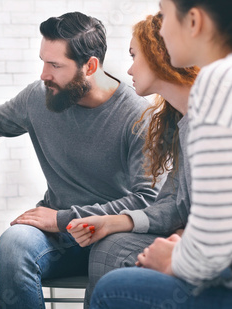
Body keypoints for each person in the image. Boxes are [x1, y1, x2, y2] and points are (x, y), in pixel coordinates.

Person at [0, 11, 162, 308]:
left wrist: (63, 219)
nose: (43, 74)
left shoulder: (138, 116)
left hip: (111, 236)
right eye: (43, 61)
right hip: (58, 240)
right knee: (13, 244)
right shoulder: (38, 97)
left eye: (54, 65)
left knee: (111, 254)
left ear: (89, 66)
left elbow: (148, 200)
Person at [90, 0, 232, 308]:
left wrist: (175, 256)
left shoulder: (217, 85)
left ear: (193, 22)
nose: (161, 28)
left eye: (165, 16)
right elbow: (182, 205)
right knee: (111, 248)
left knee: (113, 285)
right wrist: (122, 221)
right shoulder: (187, 119)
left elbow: (212, 244)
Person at [65, 13, 198, 308]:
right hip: (191, 238)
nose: (129, 68)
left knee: (112, 266)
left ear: (159, 55)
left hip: (207, 248)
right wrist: (116, 221)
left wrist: (184, 242)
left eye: (134, 55)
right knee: (109, 246)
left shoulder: (211, 120)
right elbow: (174, 203)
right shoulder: (181, 122)